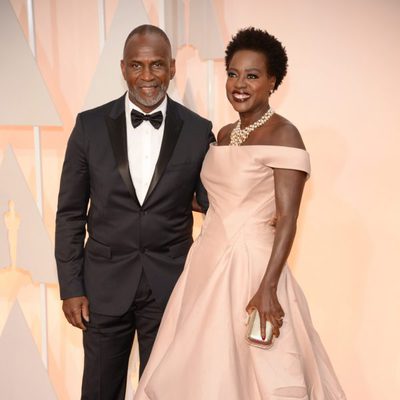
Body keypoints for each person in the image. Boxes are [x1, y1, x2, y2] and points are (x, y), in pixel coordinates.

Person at [134, 27, 346, 399]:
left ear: (272, 82)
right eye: (233, 73)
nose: (240, 84)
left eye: (252, 76)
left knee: (255, 369)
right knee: (199, 368)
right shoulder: (225, 132)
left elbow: (287, 219)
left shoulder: (285, 135)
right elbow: (218, 199)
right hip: (205, 262)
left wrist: (267, 288)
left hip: (252, 269)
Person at [55, 24, 214, 400]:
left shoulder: (198, 130)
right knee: (98, 390)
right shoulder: (89, 126)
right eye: (137, 66)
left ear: (172, 68)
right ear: (123, 68)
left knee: (164, 391)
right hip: (102, 286)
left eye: (157, 66)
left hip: (171, 287)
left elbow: (214, 205)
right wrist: (72, 286)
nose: (147, 77)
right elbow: (70, 213)